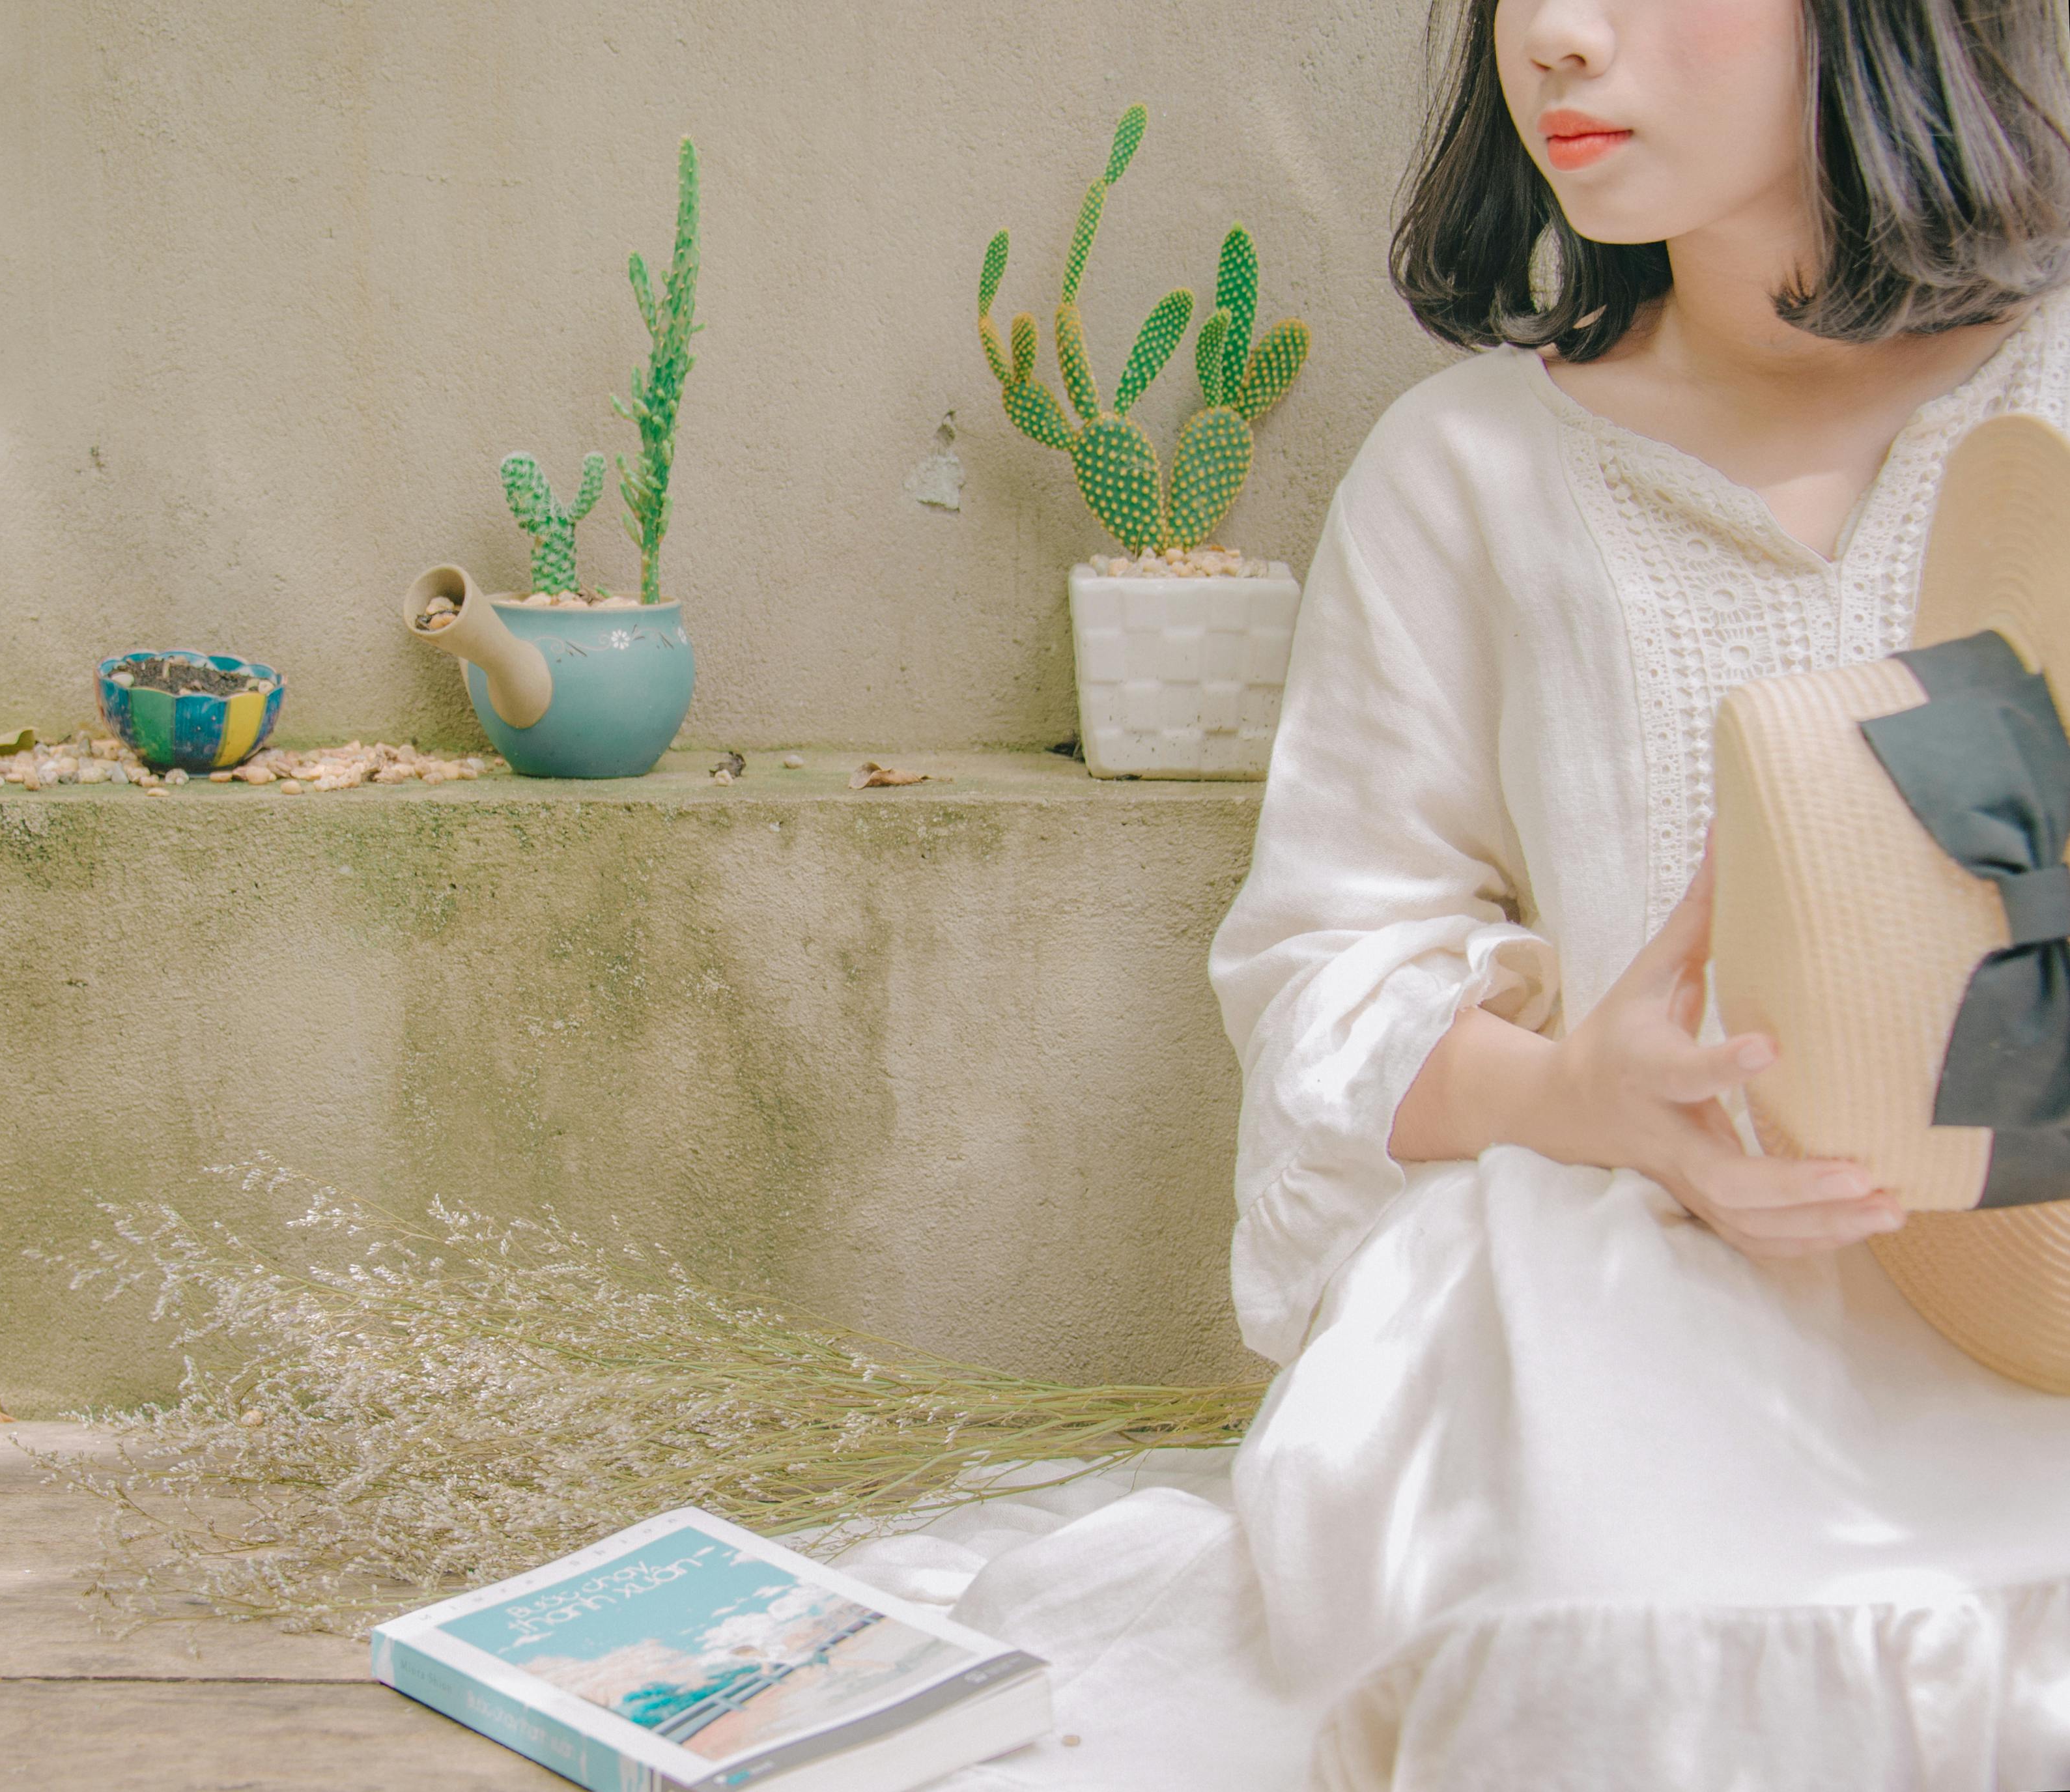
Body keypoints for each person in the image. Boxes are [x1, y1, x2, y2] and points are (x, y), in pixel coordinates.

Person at [848, 1, 2070, 1784]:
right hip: (1630, 1284)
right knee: (1637, 1653)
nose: (1561, 39)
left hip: (2033, 1275)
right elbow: (1324, 970)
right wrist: (1592, 1097)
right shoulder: (1465, 465)